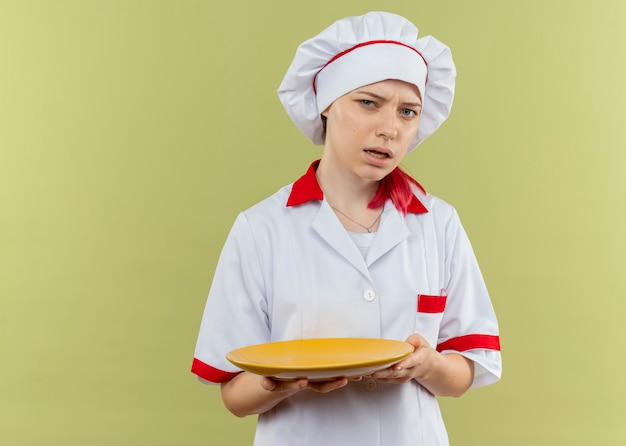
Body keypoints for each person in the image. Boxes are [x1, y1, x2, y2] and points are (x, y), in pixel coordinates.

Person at [191, 11, 501, 446]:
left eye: (408, 112)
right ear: (327, 104)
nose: (390, 128)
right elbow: (233, 396)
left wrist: (427, 365)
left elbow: (464, 371)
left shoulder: (439, 224)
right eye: (368, 102)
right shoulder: (261, 228)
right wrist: (279, 383)